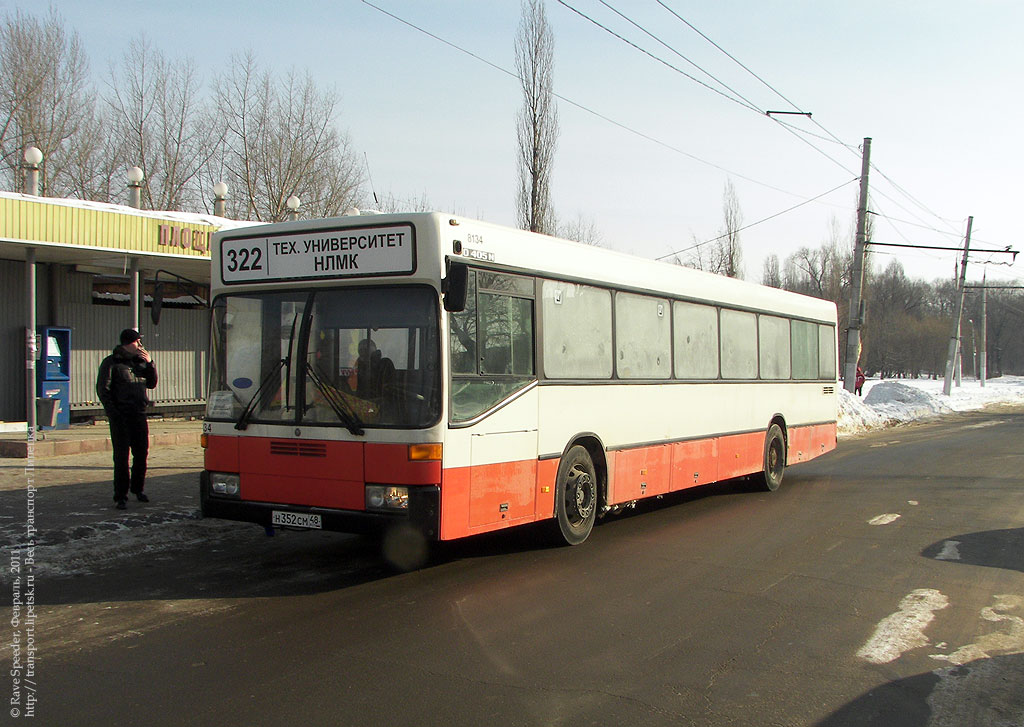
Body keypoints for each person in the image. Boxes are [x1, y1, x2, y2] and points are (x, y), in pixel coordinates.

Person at [96, 328, 158, 509]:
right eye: (137, 342)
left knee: (141, 454)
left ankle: (138, 489)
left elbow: (152, 383)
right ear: (127, 343)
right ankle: (120, 495)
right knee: (121, 457)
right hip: (121, 417)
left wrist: (150, 364)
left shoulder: (140, 362)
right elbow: (103, 390)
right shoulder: (111, 363)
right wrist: (113, 413)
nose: (140, 345)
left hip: (139, 414)